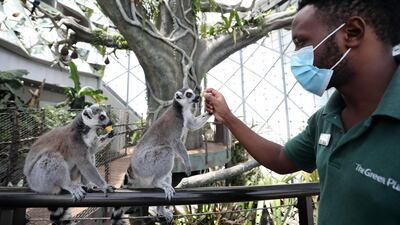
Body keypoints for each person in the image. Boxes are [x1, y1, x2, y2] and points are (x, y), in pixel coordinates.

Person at [204, 0, 400, 224]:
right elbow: (281, 159)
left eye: (301, 42)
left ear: (352, 33)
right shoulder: (327, 118)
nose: (296, 57)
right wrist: (227, 117)